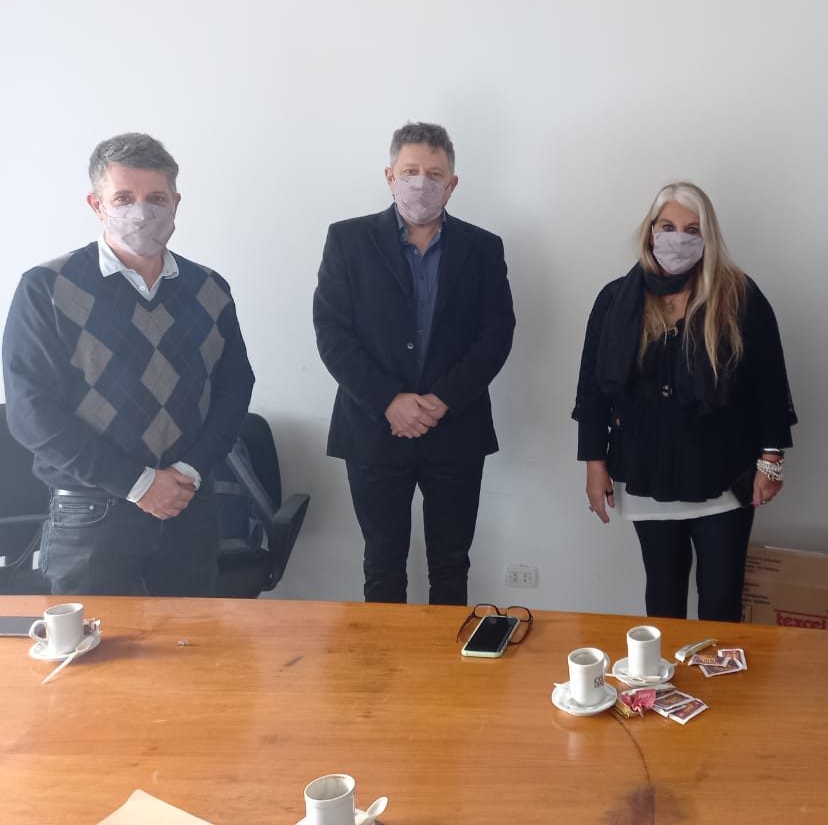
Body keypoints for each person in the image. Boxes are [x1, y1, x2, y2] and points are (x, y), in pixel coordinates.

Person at [1, 132, 254, 596]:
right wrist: (137, 483)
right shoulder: (46, 288)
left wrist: (189, 470)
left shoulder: (209, 289)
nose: (141, 212)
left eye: (156, 198)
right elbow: (30, 412)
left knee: (189, 636)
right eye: (123, 198)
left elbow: (235, 388)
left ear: (176, 203)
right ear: (96, 205)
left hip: (187, 503)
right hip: (91, 512)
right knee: (95, 643)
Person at [573, 182, 796, 622]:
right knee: (663, 593)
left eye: (692, 230)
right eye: (668, 226)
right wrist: (594, 464)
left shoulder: (739, 296)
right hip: (645, 471)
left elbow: (770, 384)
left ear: (708, 237)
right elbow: (592, 391)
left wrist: (771, 461)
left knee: (721, 595)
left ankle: (720, 671)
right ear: (650, 230)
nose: (678, 238)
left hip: (724, 474)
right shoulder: (615, 299)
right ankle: (663, 669)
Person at [314, 122, 515, 605]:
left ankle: (448, 657)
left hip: (456, 428)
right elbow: (332, 333)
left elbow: (496, 335)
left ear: (452, 183)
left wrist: (442, 400)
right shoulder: (347, 240)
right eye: (409, 172)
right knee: (382, 564)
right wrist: (390, 401)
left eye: (434, 174)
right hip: (373, 428)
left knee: (451, 564)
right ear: (390, 176)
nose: (420, 183)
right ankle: (387, 657)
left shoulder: (483, 248)